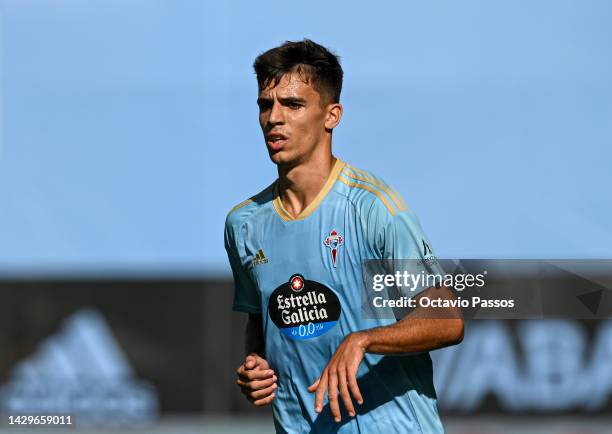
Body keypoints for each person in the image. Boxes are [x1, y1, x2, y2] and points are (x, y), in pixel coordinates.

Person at [224, 39, 464, 434]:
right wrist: (256, 366)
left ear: (331, 115)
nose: (273, 118)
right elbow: (261, 321)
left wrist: (364, 340)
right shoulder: (245, 223)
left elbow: (447, 320)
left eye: (293, 104)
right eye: (266, 105)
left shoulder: (373, 209)